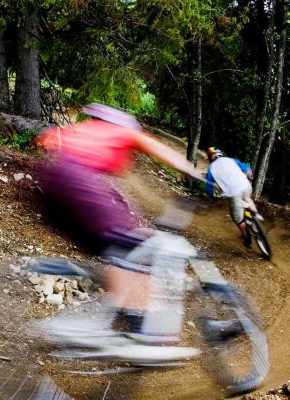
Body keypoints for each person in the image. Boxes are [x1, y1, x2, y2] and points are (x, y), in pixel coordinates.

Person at [36, 103, 205, 346]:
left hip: (52, 187)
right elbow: (156, 147)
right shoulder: (122, 132)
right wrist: (195, 173)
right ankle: (136, 328)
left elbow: (46, 139)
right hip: (75, 179)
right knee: (130, 246)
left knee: (114, 252)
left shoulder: (82, 130)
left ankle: (121, 316)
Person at [204, 147, 257, 247]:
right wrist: (250, 178)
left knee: (237, 218)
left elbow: (208, 186)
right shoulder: (231, 160)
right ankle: (255, 213)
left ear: (210, 158)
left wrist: (213, 196)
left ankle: (247, 239)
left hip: (234, 192)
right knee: (247, 198)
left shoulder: (211, 168)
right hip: (246, 185)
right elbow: (247, 169)